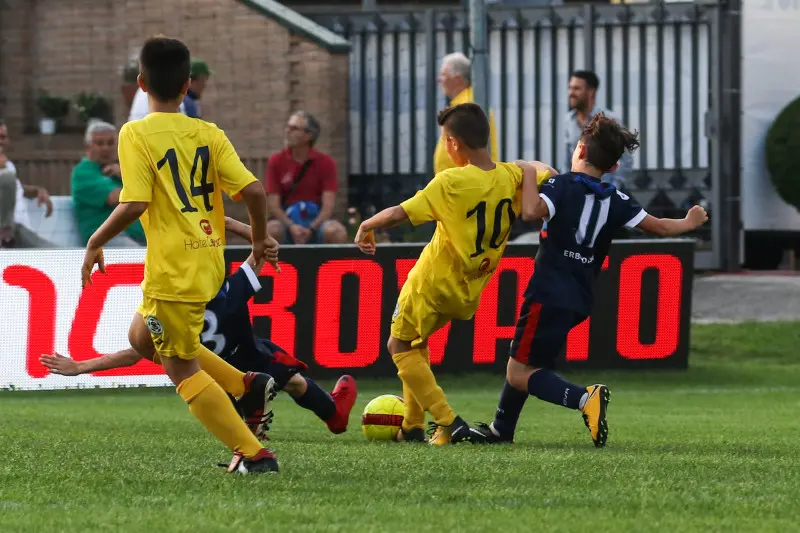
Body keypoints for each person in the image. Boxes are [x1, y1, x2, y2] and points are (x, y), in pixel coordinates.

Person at [80, 36, 281, 475]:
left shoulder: (135, 133)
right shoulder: (208, 134)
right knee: (141, 338)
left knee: (179, 365)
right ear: (188, 84)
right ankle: (245, 384)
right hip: (208, 263)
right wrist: (257, 239)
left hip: (171, 270)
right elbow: (253, 191)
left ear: (141, 83)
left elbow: (134, 203)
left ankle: (254, 453)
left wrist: (95, 242)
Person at [470, 114, 708, 447]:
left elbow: (529, 211)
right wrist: (688, 221)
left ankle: (584, 399)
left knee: (517, 372)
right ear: (612, 168)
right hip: (578, 298)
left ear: (579, 148)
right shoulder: (617, 199)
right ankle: (501, 430)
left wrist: (526, 171)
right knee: (529, 362)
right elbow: (659, 226)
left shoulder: (561, 185)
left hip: (547, 291)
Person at [354, 103, 553, 445]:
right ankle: (413, 425)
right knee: (417, 342)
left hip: (431, 283)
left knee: (398, 343)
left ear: (452, 143)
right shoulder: (510, 176)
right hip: (468, 291)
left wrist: (366, 225)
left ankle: (448, 420)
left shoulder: (451, 181)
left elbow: (400, 214)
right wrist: (526, 168)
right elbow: (546, 168)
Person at [43, 224, 358, 438]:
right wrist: (259, 236)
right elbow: (256, 251)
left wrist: (82, 366)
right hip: (253, 360)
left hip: (218, 383)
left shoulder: (173, 311)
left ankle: (249, 423)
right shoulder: (232, 290)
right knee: (294, 380)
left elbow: (135, 353)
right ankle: (333, 414)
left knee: (247, 383)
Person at [265, 111, 348, 245]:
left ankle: (330, 265)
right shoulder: (276, 161)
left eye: (294, 128)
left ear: (308, 135)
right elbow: (273, 205)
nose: (288, 132)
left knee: (336, 231)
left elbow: (328, 206)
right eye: (288, 127)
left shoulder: (326, 162)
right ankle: (273, 266)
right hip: (286, 221)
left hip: (316, 221)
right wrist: (292, 226)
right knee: (270, 230)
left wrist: (311, 228)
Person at [71, 121, 146, 246]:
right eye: (100, 143)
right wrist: (129, 176)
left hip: (138, 234)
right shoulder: (82, 172)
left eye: (111, 143)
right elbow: (117, 198)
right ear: (88, 147)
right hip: (106, 237)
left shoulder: (120, 170)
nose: (106, 148)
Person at [564, 70, 632, 189]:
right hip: (577, 192)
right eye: (570, 88)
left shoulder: (609, 119)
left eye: (576, 89)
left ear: (591, 91)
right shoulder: (569, 120)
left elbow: (626, 160)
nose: (571, 93)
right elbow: (566, 160)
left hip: (604, 192)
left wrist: (612, 188)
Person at [433, 53, 498, 174]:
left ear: (457, 79)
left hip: (465, 184)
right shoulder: (467, 103)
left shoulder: (467, 107)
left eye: (443, 75)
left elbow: (473, 151)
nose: (440, 79)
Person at [0, 120, 55, 248]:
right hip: (9, 234)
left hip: (21, 234)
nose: (1, 141)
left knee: (64, 254)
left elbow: (16, 188)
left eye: (3, 137)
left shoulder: (8, 165)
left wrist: (37, 190)